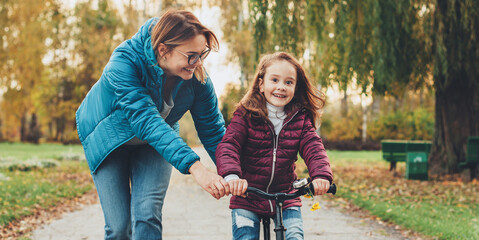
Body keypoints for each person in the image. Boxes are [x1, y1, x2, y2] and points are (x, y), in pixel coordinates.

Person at [75, 9, 230, 239]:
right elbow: (146, 120)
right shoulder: (124, 62)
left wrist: (235, 173)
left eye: (202, 54)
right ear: (163, 50)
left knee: (147, 215)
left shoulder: (197, 78)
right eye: (191, 55)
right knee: (118, 228)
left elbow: (214, 130)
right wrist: (197, 169)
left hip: (154, 143)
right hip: (108, 140)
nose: (197, 63)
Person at [216, 52, 333, 240]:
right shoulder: (246, 114)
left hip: (286, 195)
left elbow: (314, 148)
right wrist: (232, 177)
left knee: (294, 236)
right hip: (247, 196)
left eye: (288, 82)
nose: (281, 87)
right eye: (275, 80)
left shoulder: (300, 118)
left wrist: (321, 176)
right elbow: (229, 145)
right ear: (261, 84)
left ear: (296, 87)